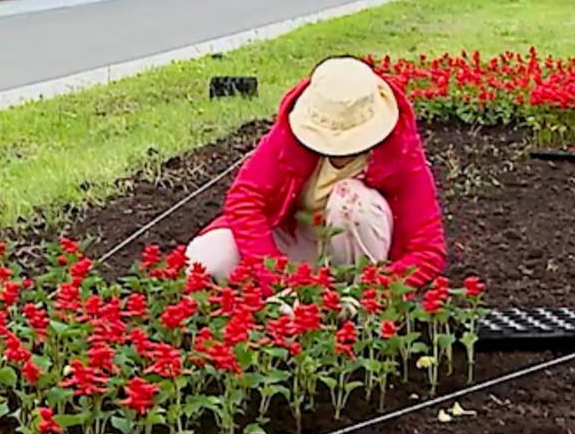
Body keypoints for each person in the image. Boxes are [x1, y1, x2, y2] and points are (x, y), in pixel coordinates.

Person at [185, 56, 447, 284]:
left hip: (360, 253)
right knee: (206, 259)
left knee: (350, 200)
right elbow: (245, 200)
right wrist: (275, 278)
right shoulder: (288, 137)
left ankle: (353, 303)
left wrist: (376, 292)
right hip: (295, 241)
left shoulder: (398, 150)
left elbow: (428, 249)